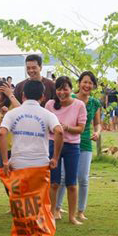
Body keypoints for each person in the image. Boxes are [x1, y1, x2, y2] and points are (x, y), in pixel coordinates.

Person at [54, 71, 101, 221]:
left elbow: (97, 123)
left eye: (90, 83)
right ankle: (57, 208)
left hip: (85, 142)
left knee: (83, 178)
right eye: (84, 82)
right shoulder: (70, 98)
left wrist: (97, 132)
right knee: (62, 177)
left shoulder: (95, 103)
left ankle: (80, 211)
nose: (87, 85)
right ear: (79, 83)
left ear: (94, 86)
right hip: (66, 141)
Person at [0, 80, 63, 177]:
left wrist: (5, 161)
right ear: (42, 97)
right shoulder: (48, 115)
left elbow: (2, 133)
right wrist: (55, 158)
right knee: (40, 192)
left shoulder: (12, 113)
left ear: (23, 95)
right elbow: (59, 131)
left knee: (19, 192)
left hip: (18, 164)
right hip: (41, 164)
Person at [45, 76, 86, 225]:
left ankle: (72, 217)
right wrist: (56, 129)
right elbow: (45, 125)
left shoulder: (79, 105)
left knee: (71, 183)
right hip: (53, 144)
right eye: (59, 89)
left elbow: (80, 129)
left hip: (72, 146)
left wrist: (67, 127)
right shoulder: (50, 104)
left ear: (71, 89)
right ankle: (51, 214)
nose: (62, 92)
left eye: (65, 89)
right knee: (54, 182)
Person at [0, 80, 20, 168]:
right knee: (5, 178)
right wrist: (3, 115)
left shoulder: (12, 106)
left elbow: (23, 111)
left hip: (17, 149)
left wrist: (10, 94)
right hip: (3, 150)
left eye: (3, 94)